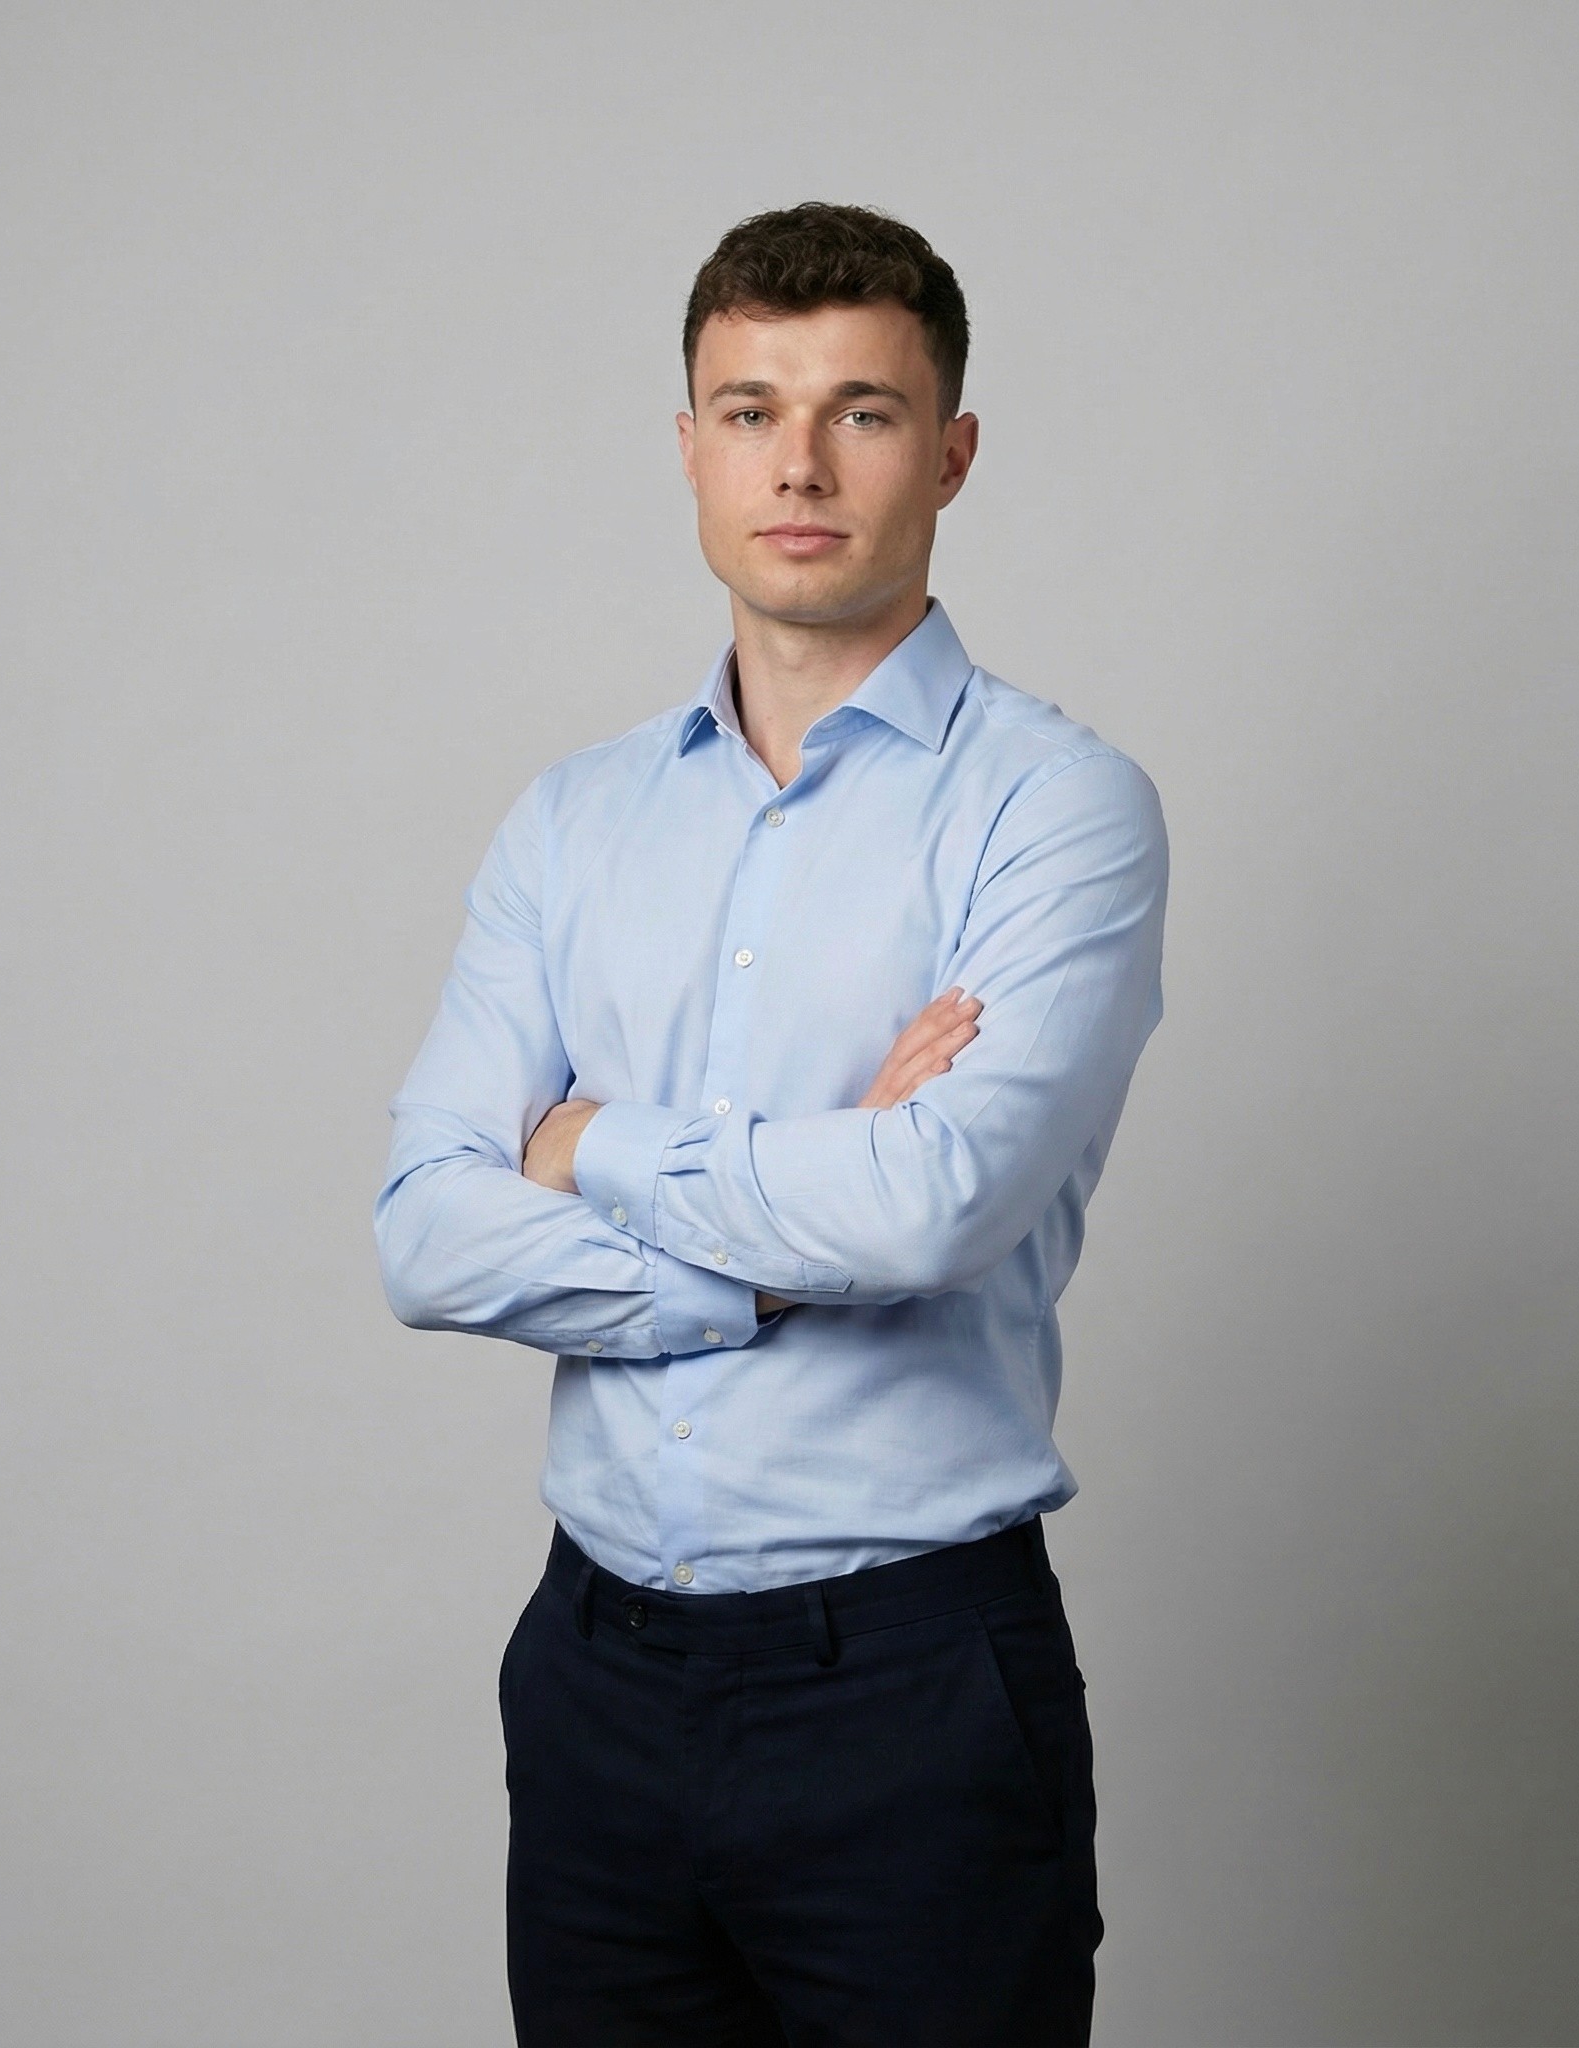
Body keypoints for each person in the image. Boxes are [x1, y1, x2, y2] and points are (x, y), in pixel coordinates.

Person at [376, 201, 1168, 2047]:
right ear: (689, 448)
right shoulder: (572, 824)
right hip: (593, 1681)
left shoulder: (1057, 810)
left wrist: (587, 1142)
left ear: (951, 453)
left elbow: (928, 1209)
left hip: (908, 1692)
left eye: (861, 412)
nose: (798, 464)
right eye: (750, 411)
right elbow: (424, 1234)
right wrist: (790, 1247)